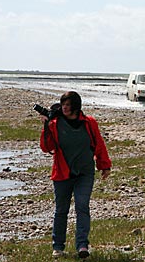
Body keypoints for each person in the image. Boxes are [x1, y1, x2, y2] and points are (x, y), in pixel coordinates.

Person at [39, 91, 111, 259]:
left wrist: (104, 165)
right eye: (63, 104)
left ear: (76, 106)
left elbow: (99, 144)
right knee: (61, 210)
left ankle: (82, 245)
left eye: (69, 104)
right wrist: (45, 127)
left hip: (85, 173)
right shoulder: (55, 124)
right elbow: (45, 147)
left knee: (82, 206)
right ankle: (58, 247)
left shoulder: (89, 123)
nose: (65, 107)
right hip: (62, 173)